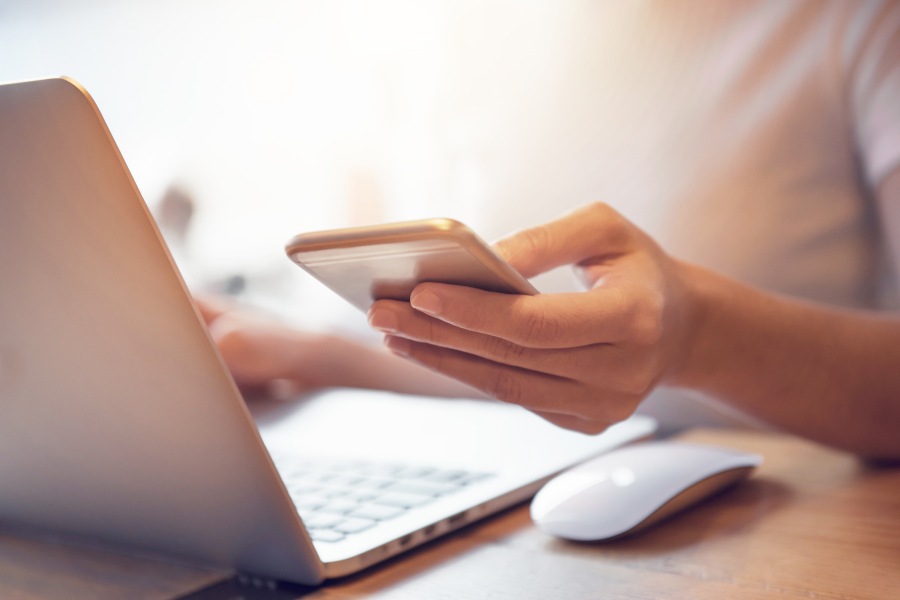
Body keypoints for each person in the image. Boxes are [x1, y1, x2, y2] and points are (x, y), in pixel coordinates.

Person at [197, 1, 900, 460]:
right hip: (544, 505)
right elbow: (517, 360)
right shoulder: (506, 37)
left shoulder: (861, 23)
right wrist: (317, 356)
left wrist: (698, 334)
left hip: (796, 525)